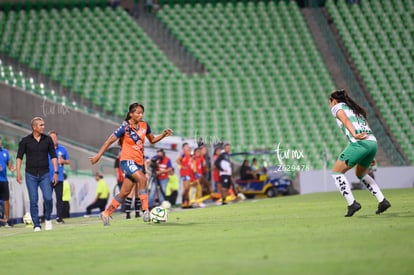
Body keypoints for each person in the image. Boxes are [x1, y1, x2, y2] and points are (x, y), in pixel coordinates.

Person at [89, 102, 173, 225]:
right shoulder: (125, 127)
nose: (141, 115)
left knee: (124, 193)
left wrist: (163, 134)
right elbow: (109, 141)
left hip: (138, 163)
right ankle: (145, 211)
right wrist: (98, 156)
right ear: (131, 114)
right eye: (138, 112)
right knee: (143, 179)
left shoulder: (145, 125)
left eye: (142, 112)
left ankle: (105, 213)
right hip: (127, 161)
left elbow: (152, 140)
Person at [329, 89, 391, 217]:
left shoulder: (337, 107)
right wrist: (369, 154)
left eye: (329, 102)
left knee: (336, 173)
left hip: (359, 143)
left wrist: (354, 135)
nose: (330, 105)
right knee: (360, 173)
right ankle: (382, 200)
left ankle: (352, 204)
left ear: (334, 100)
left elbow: (345, 120)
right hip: (372, 143)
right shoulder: (355, 110)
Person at [16, 117, 58, 232]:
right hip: (30, 174)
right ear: (34, 127)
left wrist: (55, 172)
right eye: (41, 125)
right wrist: (18, 172)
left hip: (45, 173)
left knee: (48, 198)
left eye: (43, 124)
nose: (43, 127)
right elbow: (19, 157)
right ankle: (37, 225)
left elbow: (54, 156)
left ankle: (48, 219)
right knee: (33, 200)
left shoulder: (48, 139)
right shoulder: (25, 141)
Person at [47, 130, 70, 224]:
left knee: (59, 198)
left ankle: (58, 217)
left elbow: (68, 161)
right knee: (47, 198)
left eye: (55, 137)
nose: (53, 139)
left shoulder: (63, 149)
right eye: (51, 138)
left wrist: (63, 161)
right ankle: (47, 217)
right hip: (48, 177)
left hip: (59, 177)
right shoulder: (45, 149)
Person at [0, 135, 16, 227]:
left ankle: (7, 220)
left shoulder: (5, 152)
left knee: (6, 200)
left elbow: (9, 165)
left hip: (4, 180)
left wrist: (13, 169)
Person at [176, 142, 195, 208]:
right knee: (186, 188)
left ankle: (187, 202)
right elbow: (177, 160)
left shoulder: (189, 154)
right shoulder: (183, 153)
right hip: (184, 173)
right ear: (183, 148)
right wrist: (182, 166)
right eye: (186, 146)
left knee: (188, 188)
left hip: (189, 173)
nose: (188, 147)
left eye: (188, 146)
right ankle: (183, 202)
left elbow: (191, 163)